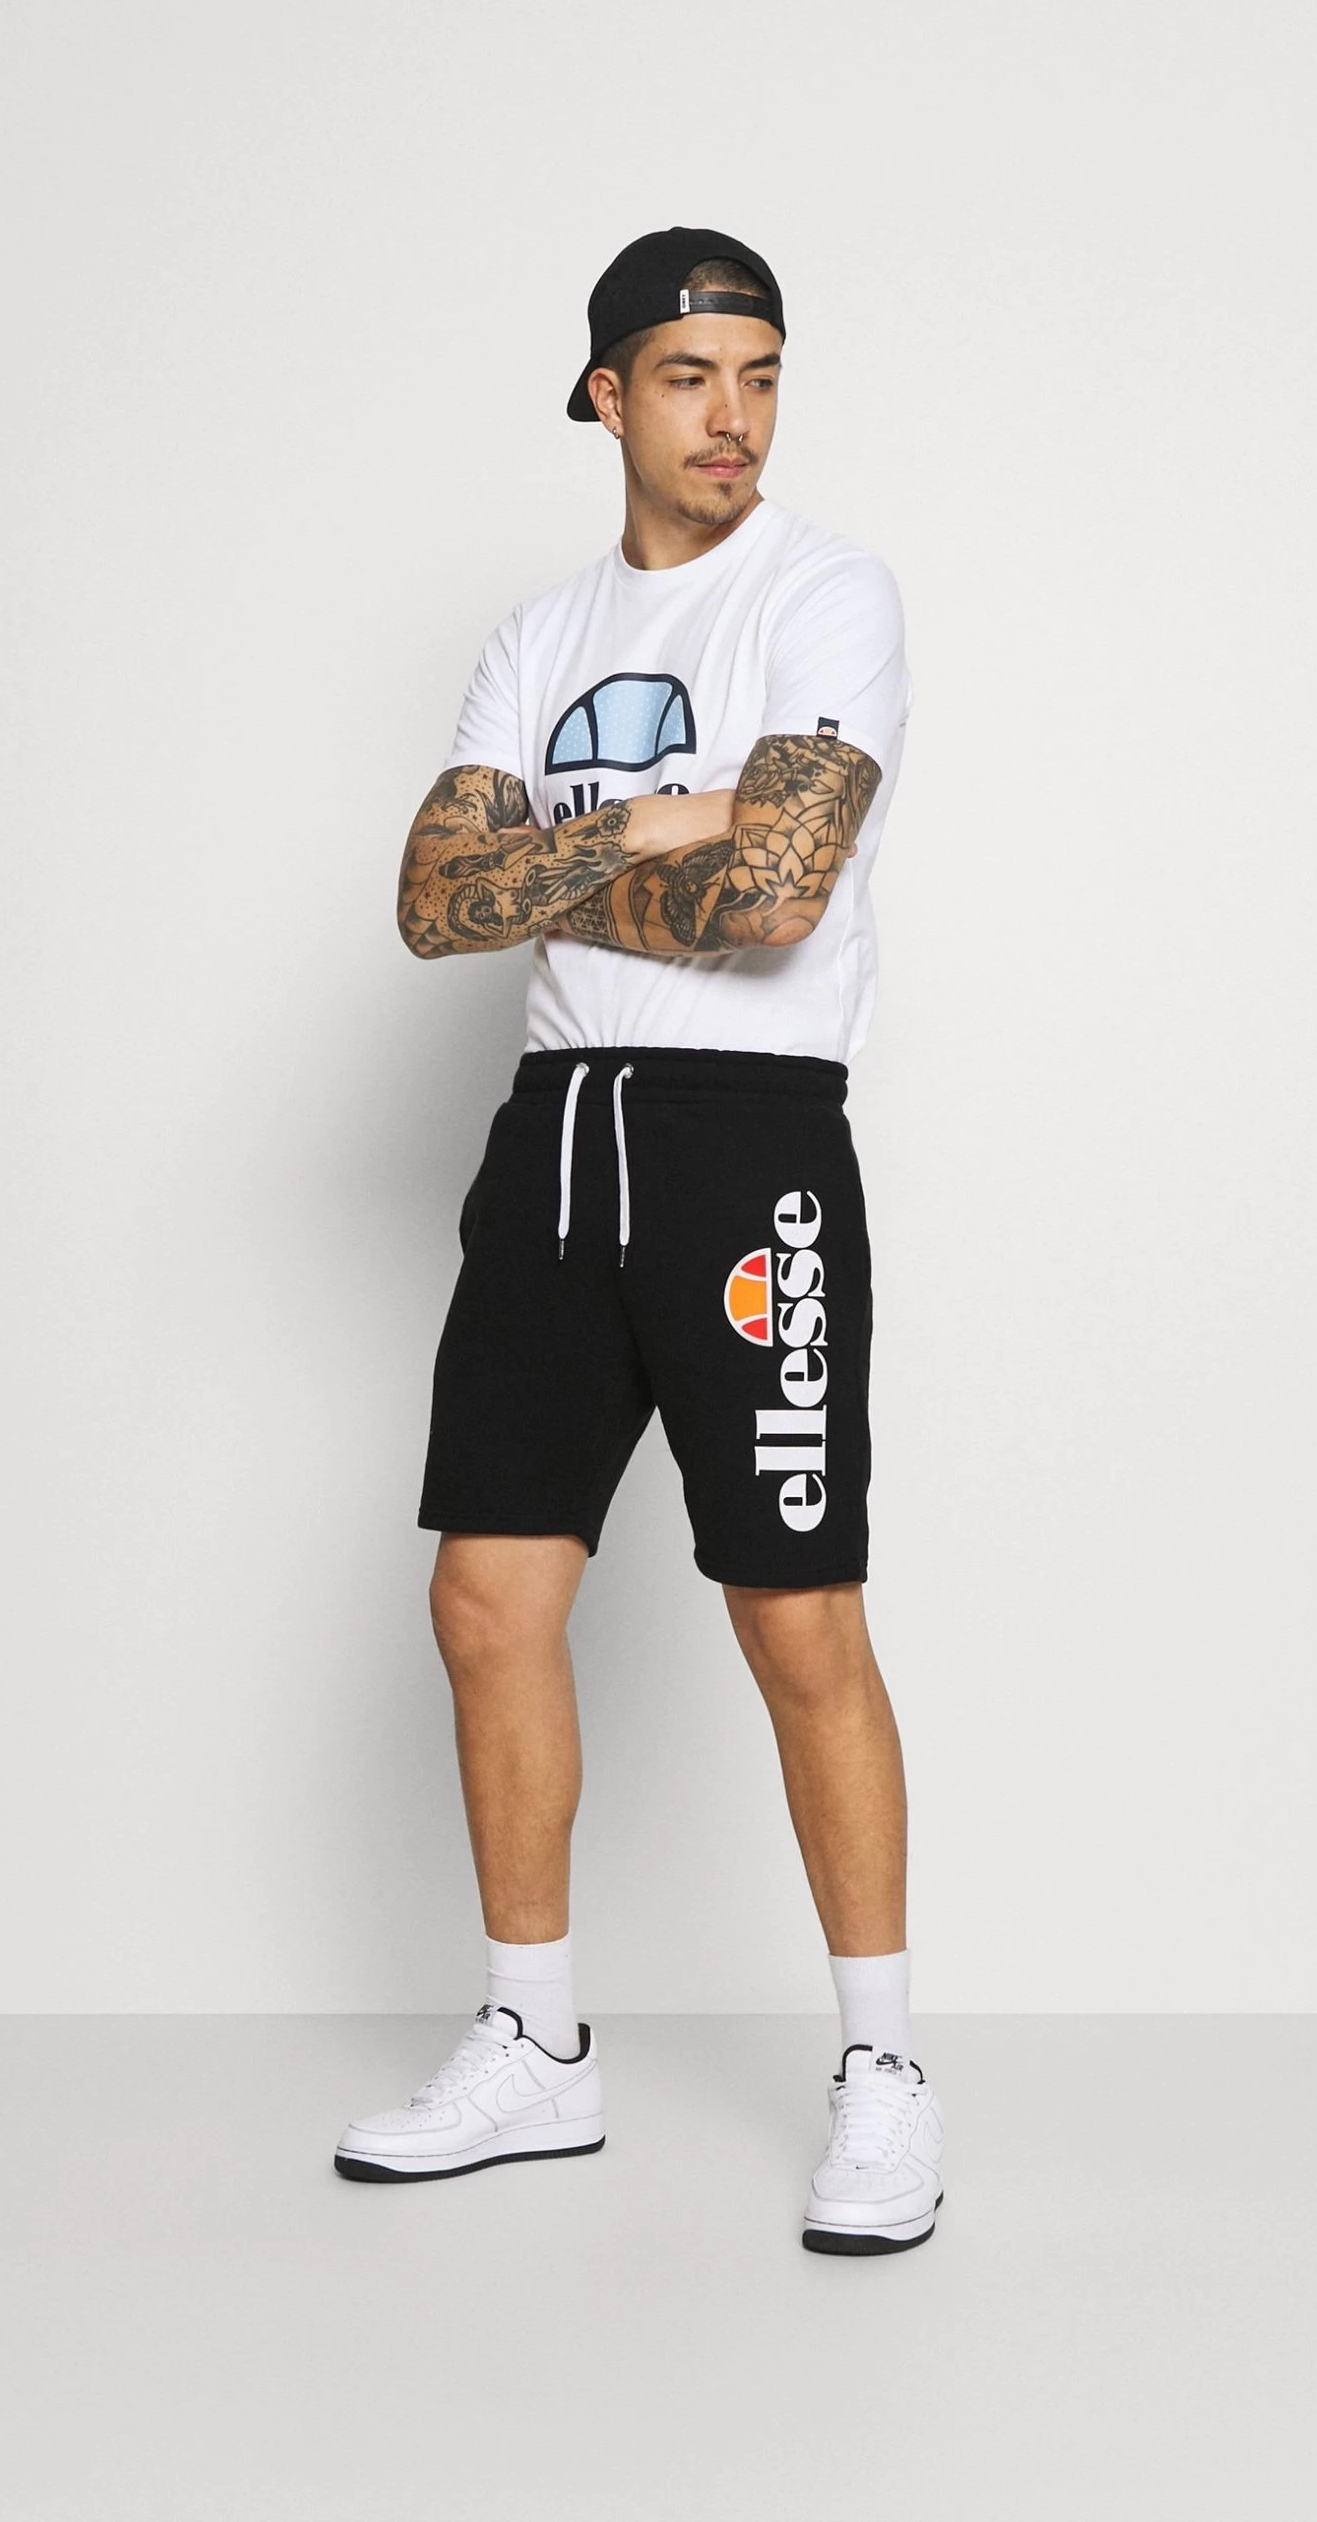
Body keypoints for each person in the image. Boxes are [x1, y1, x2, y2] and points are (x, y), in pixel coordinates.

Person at [332, 227, 942, 2254]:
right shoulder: (541, 632)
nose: (733, 416)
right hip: (555, 1135)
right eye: (689, 376)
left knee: (797, 1615)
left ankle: (883, 2069)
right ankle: (536, 2039)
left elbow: (776, 897)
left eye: (760, 373)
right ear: (607, 392)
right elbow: (432, 902)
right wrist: (669, 817)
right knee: (486, 1598)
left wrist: (574, 851)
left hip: (744, 1145)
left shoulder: (826, 590)